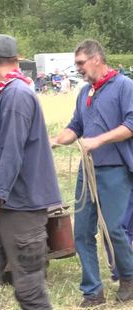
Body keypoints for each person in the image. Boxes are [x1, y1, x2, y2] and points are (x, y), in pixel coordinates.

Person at [0, 34, 61, 310]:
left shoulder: (17, 95)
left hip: (19, 209)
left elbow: (12, 153)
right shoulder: (7, 93)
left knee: (30, 292)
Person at [51, 39, 133, 307]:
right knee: (82, 233)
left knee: (114, 229)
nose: (78, 69)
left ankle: (129, 278)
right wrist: (53, 140)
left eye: (80, 63)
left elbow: (131, 125)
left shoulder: (125, 86)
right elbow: (75, 126)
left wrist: (97, 141)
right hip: (88, 172)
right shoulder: (84, 91)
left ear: (97, 59)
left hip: (116, 169)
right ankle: (92, 292)